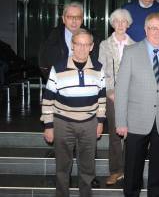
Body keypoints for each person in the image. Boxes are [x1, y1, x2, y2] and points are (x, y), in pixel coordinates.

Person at [114, 12, 159, 197]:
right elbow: (121, 90)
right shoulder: (131, 52)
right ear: (146, 29)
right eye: (153, 28)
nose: (157, 32)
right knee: (132, 170)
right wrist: (121, 121)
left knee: (157, 170)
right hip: (136, 120)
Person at [40, 29, 106, 197]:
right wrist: (48, 125)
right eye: (78, 44)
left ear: (91, 47)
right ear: (72, 45)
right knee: (63, 167)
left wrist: (100, 122)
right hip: (63, 122)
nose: (82, 48)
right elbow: (48, 98)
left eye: (86, 45)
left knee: (87, 167)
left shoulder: (99, 69)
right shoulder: (58, 68)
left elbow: (101, 98)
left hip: (89, 123)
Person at [98, 9, 135, 185]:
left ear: (128, 24)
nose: (120, 24)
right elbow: (102, 71)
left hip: (131, 96)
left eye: (124, 21)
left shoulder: (135, 45)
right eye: (117, 21)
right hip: (112, 95)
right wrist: (111, 91)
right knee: (114, 133)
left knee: (131, 134)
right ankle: (115, 170)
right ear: (112, 24)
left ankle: (129, 170)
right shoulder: (105, 45)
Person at [39, 2, 99, 79]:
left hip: (86, 83)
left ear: (82, 20)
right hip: (59, 83)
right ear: (63, 19)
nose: (74, 20)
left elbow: (97, 63)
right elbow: (44, 64)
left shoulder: (93, 38)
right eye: (70, 17)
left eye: (78, 17)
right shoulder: (51, 37)